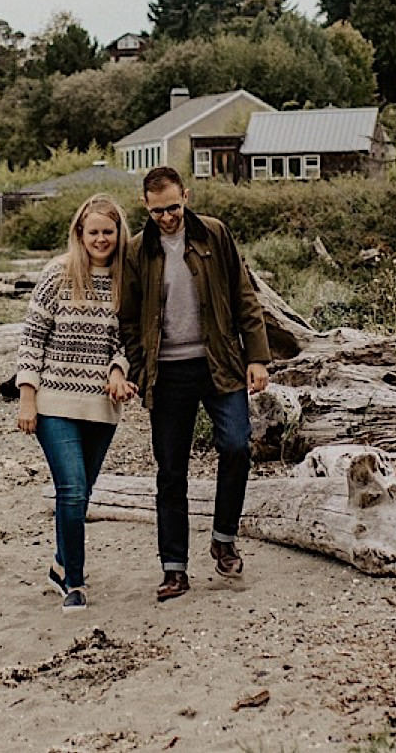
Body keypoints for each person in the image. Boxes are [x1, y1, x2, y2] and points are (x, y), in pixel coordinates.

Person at [117, 165, 271, 602]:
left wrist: (257, 356)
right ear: (146, 207)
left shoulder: (214, 234)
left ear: (185, 195)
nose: (166, 218)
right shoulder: (136, 250)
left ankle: (223, 538)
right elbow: (128, 317)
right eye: (157, 211)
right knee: (170, 472)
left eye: (173, 208)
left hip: (218, 362)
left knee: (237, 446)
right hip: (166, 374)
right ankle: (174, 569)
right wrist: (134, 364)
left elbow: (244, 294)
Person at [13, 193, 137, 611]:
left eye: (108, 231)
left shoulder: (127, 279)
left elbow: (130, 341)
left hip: (101, 405)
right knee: (71, 490)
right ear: (79, 234)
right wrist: (27, 398)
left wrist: (119, 370)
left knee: (81, 496)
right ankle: (75, 583)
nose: (101, 239)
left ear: (119, 234)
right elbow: (32, 338)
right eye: (93, 232)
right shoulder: (59, 274)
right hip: (54, 403)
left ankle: (59, 566)